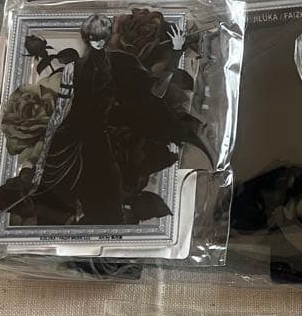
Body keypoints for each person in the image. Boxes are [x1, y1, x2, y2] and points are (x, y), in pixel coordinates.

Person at [29, 13, 186, 224]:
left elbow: (155, 92)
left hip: (99, 137)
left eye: (102, 37)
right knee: (56, 197)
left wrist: (176, 53)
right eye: (93, 37)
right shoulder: (71, 69)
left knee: (107, 196)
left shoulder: (122, 62)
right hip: (70, 137)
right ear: (86, 38)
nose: (98, 42)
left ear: (109, 36)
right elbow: (60, 110)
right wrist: (46, 151)